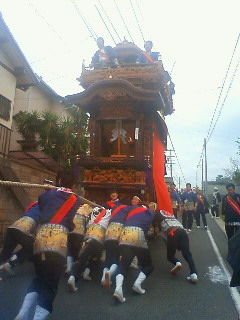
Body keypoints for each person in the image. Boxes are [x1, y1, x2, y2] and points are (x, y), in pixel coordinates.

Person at [14, 174, 81, 320]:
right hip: (58, 241)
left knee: (39, 278)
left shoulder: (46, 195)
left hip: (40, 238)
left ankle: (22, 313)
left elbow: (43, 206)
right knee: (50, 283)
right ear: (74, 186)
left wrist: (50, 191)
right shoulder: (76, 199)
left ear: (58, 181)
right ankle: (37, 317)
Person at [113, 196, 155, 303]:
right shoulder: (150, 212)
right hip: (137, 234)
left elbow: (119, 209)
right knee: (148, 265)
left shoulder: (131, 209)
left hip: (124, 233)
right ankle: (137, 284)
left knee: (124, 264)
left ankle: (118, 288)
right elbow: (150, 230)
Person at [68, 206, 112, 292]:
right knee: (96, 255)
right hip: (100, 234)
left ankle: (72, 277)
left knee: (83, 256)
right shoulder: (110, 212)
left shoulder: (94, 209)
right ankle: (87, 272)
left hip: (89, 232)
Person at [156, 210, 198, 283]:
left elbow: (158, 231)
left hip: (172, 232)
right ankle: (193, 274)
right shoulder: (170, 214)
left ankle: (177, 263)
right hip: (182, 231)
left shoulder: (158, 215)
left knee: (170, 256)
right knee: (187, 254)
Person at [0, 201, 40, 275]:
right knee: (33, 247)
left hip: (13, 227)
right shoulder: (46, 207)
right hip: (23, 230)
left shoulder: (34, 205)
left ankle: (9, 263)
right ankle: (12, 263)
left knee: (5, 252)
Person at [101, 203, 128, 289]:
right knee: (116, 258)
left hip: (109, 230)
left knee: (108, 257)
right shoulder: (127, 209)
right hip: (119, 231)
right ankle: (110, 272)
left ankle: (103, 278)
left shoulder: (114, 210)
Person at [65, 204, 93, 275]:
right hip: (80, 233)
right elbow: (87, 225)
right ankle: (74, 269)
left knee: (70, 249)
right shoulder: (87, 214)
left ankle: (68, 267)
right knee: (77, 250)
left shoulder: (76, 211)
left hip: (71, 231)